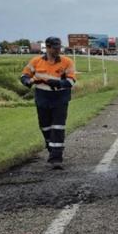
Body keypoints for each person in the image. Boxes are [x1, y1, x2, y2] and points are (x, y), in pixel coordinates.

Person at [21, 37, 76, 167]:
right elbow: (24, 75)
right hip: (42, 97)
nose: (58, 50)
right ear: (48, 47)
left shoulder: (67, 62)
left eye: (59, 47)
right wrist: (27, 82)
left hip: (60, 97)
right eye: (55, 48)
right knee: (45, 126)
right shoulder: (36, 61)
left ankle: (56, 157)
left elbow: (71, 81)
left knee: (58, 126)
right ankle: (51, 146)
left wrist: (58, 83)